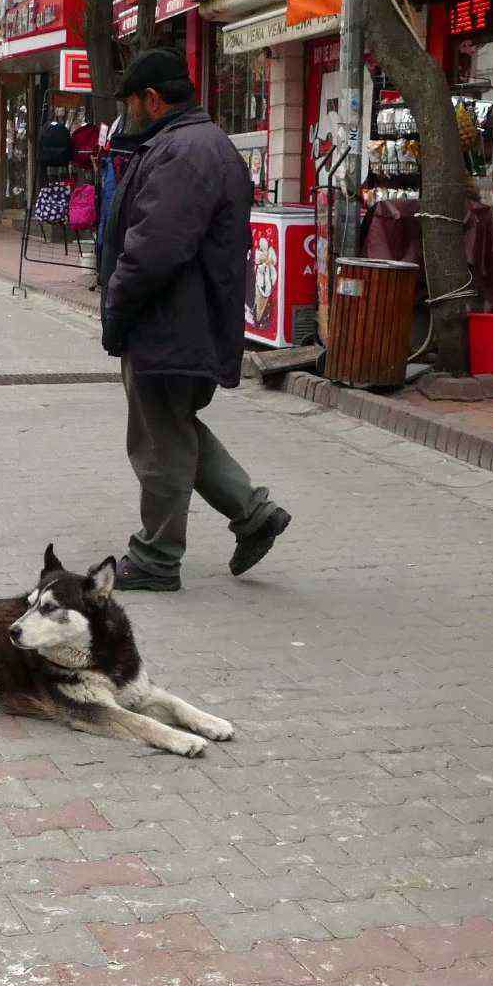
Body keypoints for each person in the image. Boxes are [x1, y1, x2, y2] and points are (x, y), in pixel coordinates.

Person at [98, 49, 291, 593]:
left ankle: (157, 556)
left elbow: (153, 250)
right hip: (182, 321)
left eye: (130, 103)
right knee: (174, 427)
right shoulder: (187, 144)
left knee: (159, 439)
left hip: (171, 321)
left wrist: (117, 306)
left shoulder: (183, 152)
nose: (126, 115)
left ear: (152, 100)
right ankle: (253, 513)